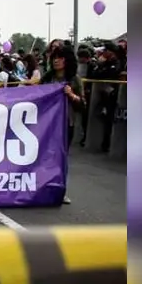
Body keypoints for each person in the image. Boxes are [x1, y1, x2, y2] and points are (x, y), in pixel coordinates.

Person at [41, 44, 84, 204]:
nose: (57, 61)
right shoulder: (47, 78)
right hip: (46, 124)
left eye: (60, 57)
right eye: (55, 57)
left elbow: (82, 104)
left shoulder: (74, 79)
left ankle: (60, 190)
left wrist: (71, 95)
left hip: (66, 124)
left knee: (61, 157)